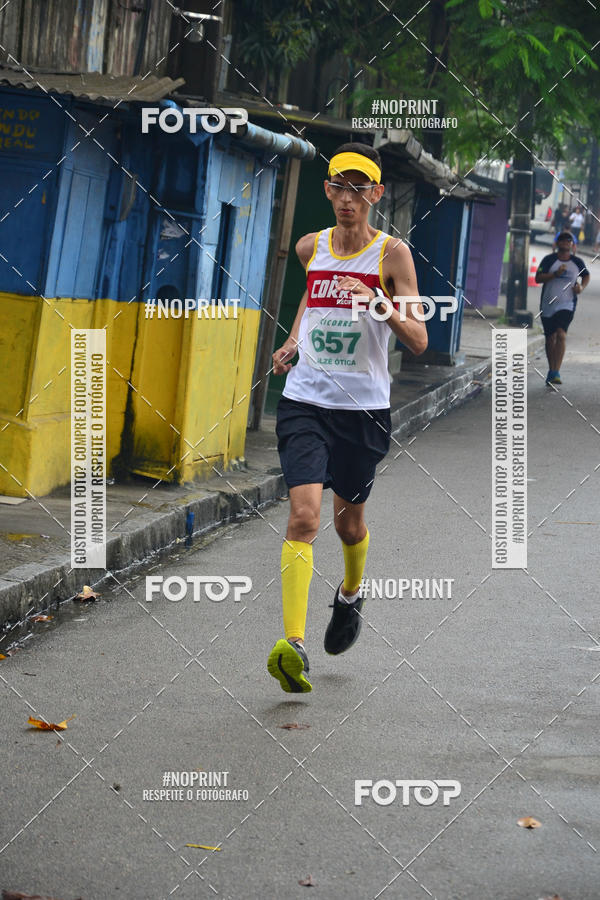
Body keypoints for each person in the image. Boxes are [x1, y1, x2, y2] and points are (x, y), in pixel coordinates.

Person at [267, 142, 428, 693]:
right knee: (305, 519)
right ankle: (294, 644)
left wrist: (377, 299)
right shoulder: (312, 247)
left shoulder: (392, 256)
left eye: (360, 188)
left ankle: (351, 595)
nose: (348, 198)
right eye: (340, 186)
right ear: (328, 191)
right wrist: (292, 343)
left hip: (363, 410)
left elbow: (419, 338)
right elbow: (310, 304)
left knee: (347, 522)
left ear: (376, 195)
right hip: (305, 400)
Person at [535, 231, 590, 385]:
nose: (566, 243)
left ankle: (556, 371)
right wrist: (555, 274)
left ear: (572, 245)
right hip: (547, 304)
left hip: (567, 304)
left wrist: (581, 287)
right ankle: (551, 370)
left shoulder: (577, 262)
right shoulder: (549, 260)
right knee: (550, 338)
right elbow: (538, 278)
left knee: (561, 335)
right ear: (557, 243)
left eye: (569, 241)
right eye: (563, 240)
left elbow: (586, 275)